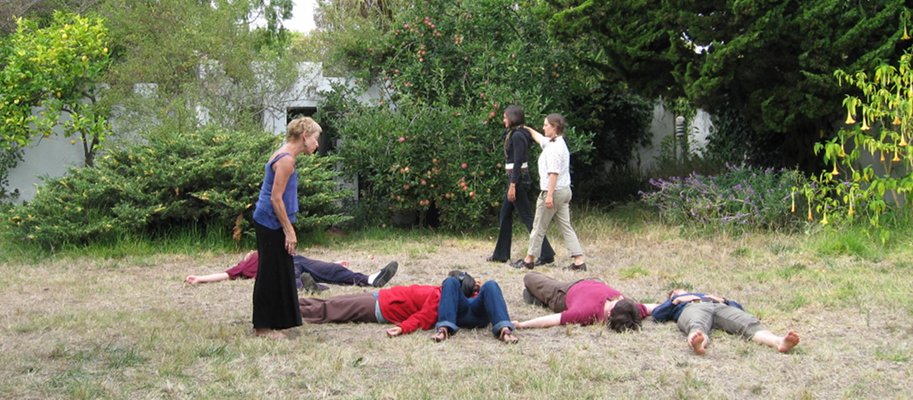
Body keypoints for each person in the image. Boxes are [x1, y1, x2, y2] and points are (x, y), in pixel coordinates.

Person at [250, 117, 321, 339]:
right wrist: (289, 230)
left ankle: (278, 321)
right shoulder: (286, 160)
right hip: (270, 222)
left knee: (280, 272)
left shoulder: (287, 156)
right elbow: (275, 199)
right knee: (269, 274)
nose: (317, 144)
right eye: (315, 139)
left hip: (272, 221)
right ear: (304, 136)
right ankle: (262, 328)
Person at [297, 271, 477, 337]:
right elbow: (474, 295)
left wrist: (402, 328)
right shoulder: (444, 292)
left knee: (331, 309)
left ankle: (292, 313)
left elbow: (422, 318)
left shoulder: (441, 301)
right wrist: (476, 287)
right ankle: (290, 304)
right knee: (331, 301)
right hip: (381, 297)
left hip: (381, 308)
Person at [513, 113, 587, 271]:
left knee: (538, 226)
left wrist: (549, 196)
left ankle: (528, 260)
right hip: (565, 191)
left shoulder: (555, 149)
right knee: (566, 227)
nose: (543, 127)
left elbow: (553, 174)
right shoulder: (556, 142)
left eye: (546, 125)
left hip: (553, 192)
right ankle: (579, 260)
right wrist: (526, 128)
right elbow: (540, 138)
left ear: (554, 128)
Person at [487, 105, 556, 266]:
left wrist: (513, 185)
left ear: (512, 117)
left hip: (517, 181)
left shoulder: (518, 135)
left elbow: (518, 161)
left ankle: (546, 253)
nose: (503, 120)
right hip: (515, 179)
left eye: (505, 117)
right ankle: (501, 254)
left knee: (527, 217)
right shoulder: (516, 133)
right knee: (505, 214)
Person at [651, 289, 800, 355]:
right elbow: (658, 315)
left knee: (748, 322)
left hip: (719, 306)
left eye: (678, 291)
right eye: (674, 292)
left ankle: (778, 341)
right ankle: (698, 344)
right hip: (693, 308)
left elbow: (739, 308)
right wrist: (675, 300)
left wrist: (723, 300)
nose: (678, 291)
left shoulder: (705, 294)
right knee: (696, 326)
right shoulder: (677, 301)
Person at [184, 250, 399, 292]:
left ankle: (371, 279)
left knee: (330, 269)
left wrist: (334, 262)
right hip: (284, 267)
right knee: (292, 275)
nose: (249, 252)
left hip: (298, 260)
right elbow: (225, 275)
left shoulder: (268, 246)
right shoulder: (246, 265)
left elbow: (311, 263)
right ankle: (311, 288)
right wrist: (200, 279)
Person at [514, 272, 655, 332]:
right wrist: (676, 301)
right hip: (589, 282)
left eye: (616, 301)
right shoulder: (630, 310)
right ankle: (535, 297)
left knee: (529, 277)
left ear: (611, 312)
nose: (619, 297)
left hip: (562, 293)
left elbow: (552, 319)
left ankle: (538, 298)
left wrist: (522, 325)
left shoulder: (585, 313)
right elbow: (651, 308)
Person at [430, 271, 519, 343]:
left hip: (479, 313)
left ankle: (505, 330)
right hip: (459, 312)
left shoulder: (483, 290)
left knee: (491, 284)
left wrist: (478, 288)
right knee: (450, 281)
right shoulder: (452, 288)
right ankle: (443, 329)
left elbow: (493, 298)